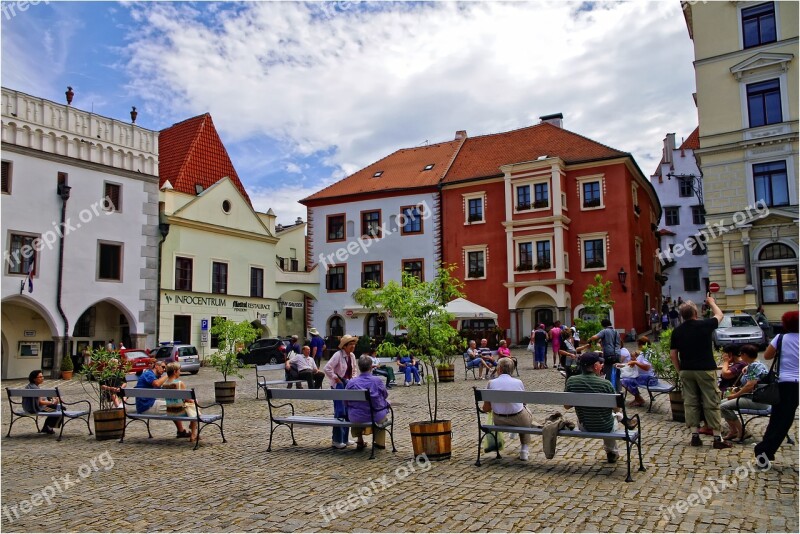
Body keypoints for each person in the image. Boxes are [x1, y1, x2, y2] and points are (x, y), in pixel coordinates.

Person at [669, 296, 731, 449]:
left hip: (687, 370)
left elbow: (673, 354)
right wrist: (712, 303)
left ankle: (695, 436)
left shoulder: (677, 331)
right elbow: (720, 315)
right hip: (705, 369)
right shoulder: (705, 325)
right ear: (695, 313)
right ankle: (717, 438)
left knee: (690, 403)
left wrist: (679, 370)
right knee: (711, 401)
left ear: (682, 315)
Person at [754, 311, 799, 470]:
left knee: (780, 419)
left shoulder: (780, 338)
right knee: (783, 420)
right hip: (796, 383)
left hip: (785, 383)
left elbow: (766, 356)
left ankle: (764, 452)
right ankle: (764, 451)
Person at [564, 353, 621, 463]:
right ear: (595, 366)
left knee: (608, 418)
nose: (602, 365)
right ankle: (611, 452)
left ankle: (612, 451)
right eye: (600, 363)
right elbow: (616, 408)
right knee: (614, 417)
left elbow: (566, 406)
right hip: (605, 426)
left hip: (585, 426)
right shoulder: (606, 384)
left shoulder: (571, 381)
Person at [480, 357, 535, 461]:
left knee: (520, 412)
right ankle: (524, 449)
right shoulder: (518, 382)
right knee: (526, 413)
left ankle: (514, 429)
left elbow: (486, 408)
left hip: (499, 420)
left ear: (499, 369)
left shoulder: (491, 383)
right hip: (518, 419)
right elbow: (524, 402)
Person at [719, 344, 769, 442]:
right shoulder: (754, 364)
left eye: (741, 354)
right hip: (751, 397)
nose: (740, 357)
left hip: (757, 400)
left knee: (723, 406)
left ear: (745, 354)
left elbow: (750, 385)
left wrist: (735, 395)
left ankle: (742, 432)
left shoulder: (755, 366)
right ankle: (733, 431)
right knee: (720, 404)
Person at [346, 355, 391, 451]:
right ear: (371, 367)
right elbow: (385, 395)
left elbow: (345, 401)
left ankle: (360, 440)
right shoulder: (376, 381)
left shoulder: (351, 382)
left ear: (359, 367)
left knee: (355, 411)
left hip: (356, 416)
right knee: (382, 415)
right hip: (375, 415)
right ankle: (379, 442)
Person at [135, 360, 189, 438]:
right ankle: (184, 431)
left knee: (172, 404)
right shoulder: (148, 374)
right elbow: (157, 383)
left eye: (166, 368)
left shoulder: (155, 377)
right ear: (156, 366)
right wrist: (169, 374)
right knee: (174, 406)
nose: (164, 370)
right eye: (163, 367)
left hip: (147, 404)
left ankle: (181, 431)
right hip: (146, 406)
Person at [323, 335, 359, 449]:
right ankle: (336, 439)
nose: (353, 346)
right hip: (339, 385)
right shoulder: (338, 355)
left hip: (348, 385)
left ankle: (345, 438)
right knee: (339, 412)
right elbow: (327, 368)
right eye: (350, 344)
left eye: (354, 344)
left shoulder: (352, 356)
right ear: (344, 346)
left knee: (348, 412)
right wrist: (336, 378)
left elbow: (354, 370)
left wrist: (352, 380)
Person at [161, 362, 198, 442]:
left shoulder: (164, 384)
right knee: (195, 407)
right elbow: (186, 399)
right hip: (179, 411)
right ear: (175, 371)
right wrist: (194, 400)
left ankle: (192, 426)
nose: (180, 372)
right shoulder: (179, 383)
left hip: (170, 411)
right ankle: (193, 434)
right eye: (179, 370)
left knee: (193, 406)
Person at [620, 336, 659, 407]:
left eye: (639, 345)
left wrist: (635, 362)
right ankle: (637, 398)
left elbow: (647, 367)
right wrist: (634, 361)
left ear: (642, 345)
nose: (638, 347)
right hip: (643, 376)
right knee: (625, 379)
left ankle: (638, 398)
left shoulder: (648, 353)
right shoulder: (644, 352)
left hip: (650, 378)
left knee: (625, 381)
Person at [23, 370, 62, 435]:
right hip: (35, 408)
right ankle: (48, 427)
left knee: (56, 407)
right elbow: (40, 402)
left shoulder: (29, 386)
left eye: (42, 376)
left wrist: (50, 400)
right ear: (34, 379)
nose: (42, 378)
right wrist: (52, 402)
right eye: (40, 377)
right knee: (60, 409)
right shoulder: (36, 389)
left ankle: (47, 427)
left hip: (28, 408)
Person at [589, 319, 622, 391]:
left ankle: (610, 391)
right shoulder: (616, 332)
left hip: (609, 355)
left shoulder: (604, 331)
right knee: (617, 374)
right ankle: (619, 391)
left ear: (603, 325)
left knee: (608, 373)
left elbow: (595, 337)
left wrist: (590, 339)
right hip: (618, 354)